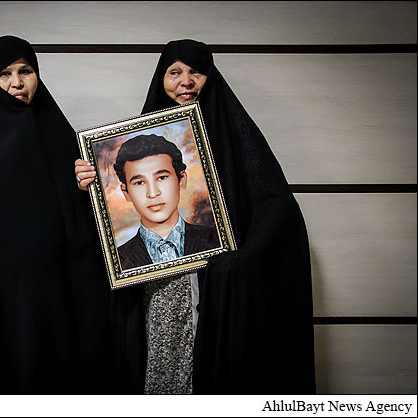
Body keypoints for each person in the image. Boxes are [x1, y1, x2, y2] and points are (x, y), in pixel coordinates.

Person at [75, 39, 315, 394]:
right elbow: (99, 235)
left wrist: (241, 259)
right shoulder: (134, 143)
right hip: (154, 290)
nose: (185, 81)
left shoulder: (235, 135)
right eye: (174, 72)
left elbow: (274, 203)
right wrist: (91, 188)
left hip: (215, 289)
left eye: (196, 72)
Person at [0, 35, 116, 394]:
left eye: (26, 71)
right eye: (5, 74)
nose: (17, 82)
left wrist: (88, 188)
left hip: (53, 295)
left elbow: (91, 222)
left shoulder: (58, 136)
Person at [113, 133, 219, 270]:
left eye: (162, 178)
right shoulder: (116, 261)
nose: (153, 193)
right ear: (126, 192)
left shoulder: (218, 239)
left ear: (181, 180)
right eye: (139, 183)